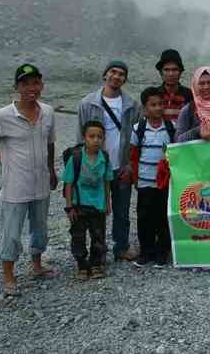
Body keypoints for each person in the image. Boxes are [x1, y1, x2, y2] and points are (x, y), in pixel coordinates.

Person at [0, 64, 58, 296]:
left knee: (40, 228)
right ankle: (9, 277)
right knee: (12, 233)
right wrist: (0, 157)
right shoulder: (4, 115)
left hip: (41, 182)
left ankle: (37, 265)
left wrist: (51, 170)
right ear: (16, 87)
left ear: (41, 85)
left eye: (35, 83)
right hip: (15, 186)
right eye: (25, 84)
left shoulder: (48, 112)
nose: (31, 88)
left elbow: (50, 143)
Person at [76, 60, 140, 261]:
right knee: (97, 211)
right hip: (96, 167)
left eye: (121, 74)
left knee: (122, 211)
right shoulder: (87, 103)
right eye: (113, 72)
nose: (117, 76)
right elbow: (80, 137)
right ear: (105, 75)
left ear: (125, 79)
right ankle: (98, 252)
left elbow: (136, 138)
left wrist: (130, 164)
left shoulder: (132, 105)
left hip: (121, 166)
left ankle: (121, 247)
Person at [130, 87, 176, 268]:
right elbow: (133, 155)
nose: (158, 108)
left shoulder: (171, 127)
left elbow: (175, 153)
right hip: (144, 181)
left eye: (160, 104)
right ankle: (145, 252)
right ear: (145, 108)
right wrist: (135, 179)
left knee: (163, 218)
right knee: (144, 217)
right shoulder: (139, 129)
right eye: (153, 105)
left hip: (164, 183)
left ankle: (161, 252)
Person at [62, 120, 113, 280]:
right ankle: (82, 265)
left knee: (98, 235)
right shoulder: (76, 158)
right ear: (84, 138)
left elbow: (107, 181)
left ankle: (96, 264)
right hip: (78, 205)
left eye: (99, 137)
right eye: (92, 136)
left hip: (97, 205)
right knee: (78, 236)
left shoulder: (104, 158)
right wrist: (69, 206)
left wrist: (107, 202)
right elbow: (69, 183)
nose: (96, 140)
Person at [156, 49, 193, 123]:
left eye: (174, 70)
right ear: (161, 73)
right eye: (166, 70)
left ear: (180, 72)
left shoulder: (190, 96)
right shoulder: (154, 95)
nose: (171, 74)